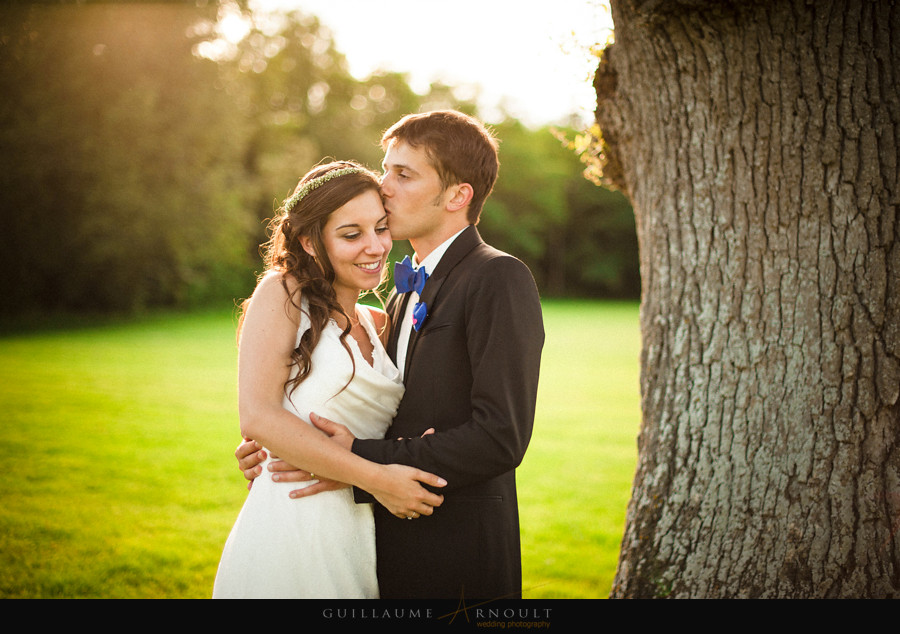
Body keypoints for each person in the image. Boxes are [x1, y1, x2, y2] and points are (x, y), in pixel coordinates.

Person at [238, 110, 545, 600]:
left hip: (456, 553)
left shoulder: (497, 277)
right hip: (381, 543)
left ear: (457, 196)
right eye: (386, 170)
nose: (384, 187)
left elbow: (500, 436)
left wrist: (351, 456)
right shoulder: (398, 295)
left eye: (402, 175)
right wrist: (281, 441)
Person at [213, 161, 446, 599]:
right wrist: (378, 479)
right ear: (309, 241)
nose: (375, 246)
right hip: (292, 525)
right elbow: (259, 417)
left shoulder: (381, 322)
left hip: (363, 529)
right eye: (351, 234)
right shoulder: (282, 293)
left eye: (380, 227)